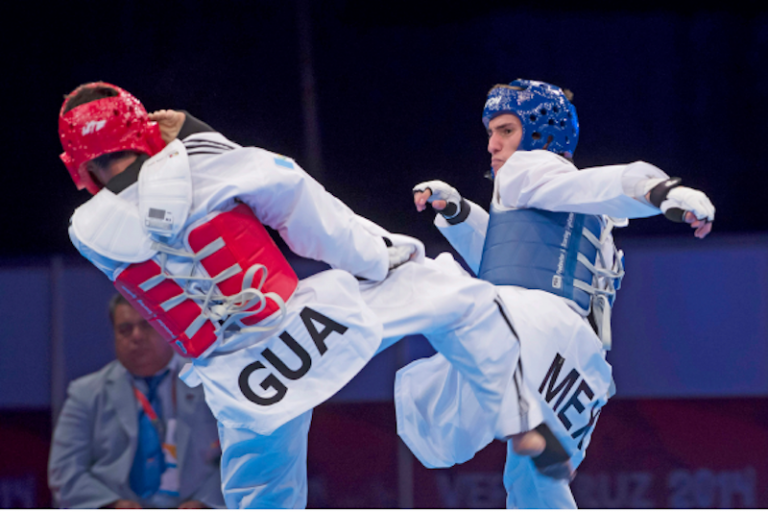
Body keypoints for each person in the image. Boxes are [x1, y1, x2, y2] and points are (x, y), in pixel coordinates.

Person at [58, 82, 543, 508]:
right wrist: (379, 256)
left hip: (239, 382)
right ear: (141, 129)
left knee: (262, 501)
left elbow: (144, 207)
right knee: (453, 293)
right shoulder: (205, 161)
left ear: (81, 168)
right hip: (305, 327)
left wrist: (185, 144)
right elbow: (301, 208)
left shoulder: (85, 233)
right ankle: (520, 418)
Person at [398, 79, 715, 508]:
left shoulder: (526, 170)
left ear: (541, 133)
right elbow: (506, 260)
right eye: (490, 132)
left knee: (431, 287)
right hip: (574, 358)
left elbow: (600, 184)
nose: (492, 144)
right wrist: (458, 213)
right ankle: (528, 425)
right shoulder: (569, 206)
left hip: (539, 327)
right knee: (537, 485)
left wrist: (660, 191)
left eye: (506, 130)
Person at [48, 294, 224, 509]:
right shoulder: (85, 394)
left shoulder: (210, 385)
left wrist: (204, 503)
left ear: (169, 329)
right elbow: (64, 471)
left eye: (147, 325)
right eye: (125, 329)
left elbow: (243, 455)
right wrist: (113, 505)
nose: (137, 336)